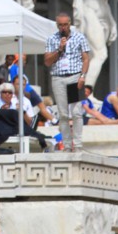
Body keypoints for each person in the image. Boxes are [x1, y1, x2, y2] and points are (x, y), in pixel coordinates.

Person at [43, 12, 91, 153]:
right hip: (58, 77)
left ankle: (78, 144)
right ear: (57, 25)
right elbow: (47, 61)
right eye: (60, 25)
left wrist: (83, 76)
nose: (63, 27)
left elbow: (86, 58)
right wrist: (59, 49)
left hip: (74, 77)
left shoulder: (79, 37)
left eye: (65, 24)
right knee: (63, 114)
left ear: (69, 24)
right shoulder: (52, 39)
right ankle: (67, 145)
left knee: (76, 112)